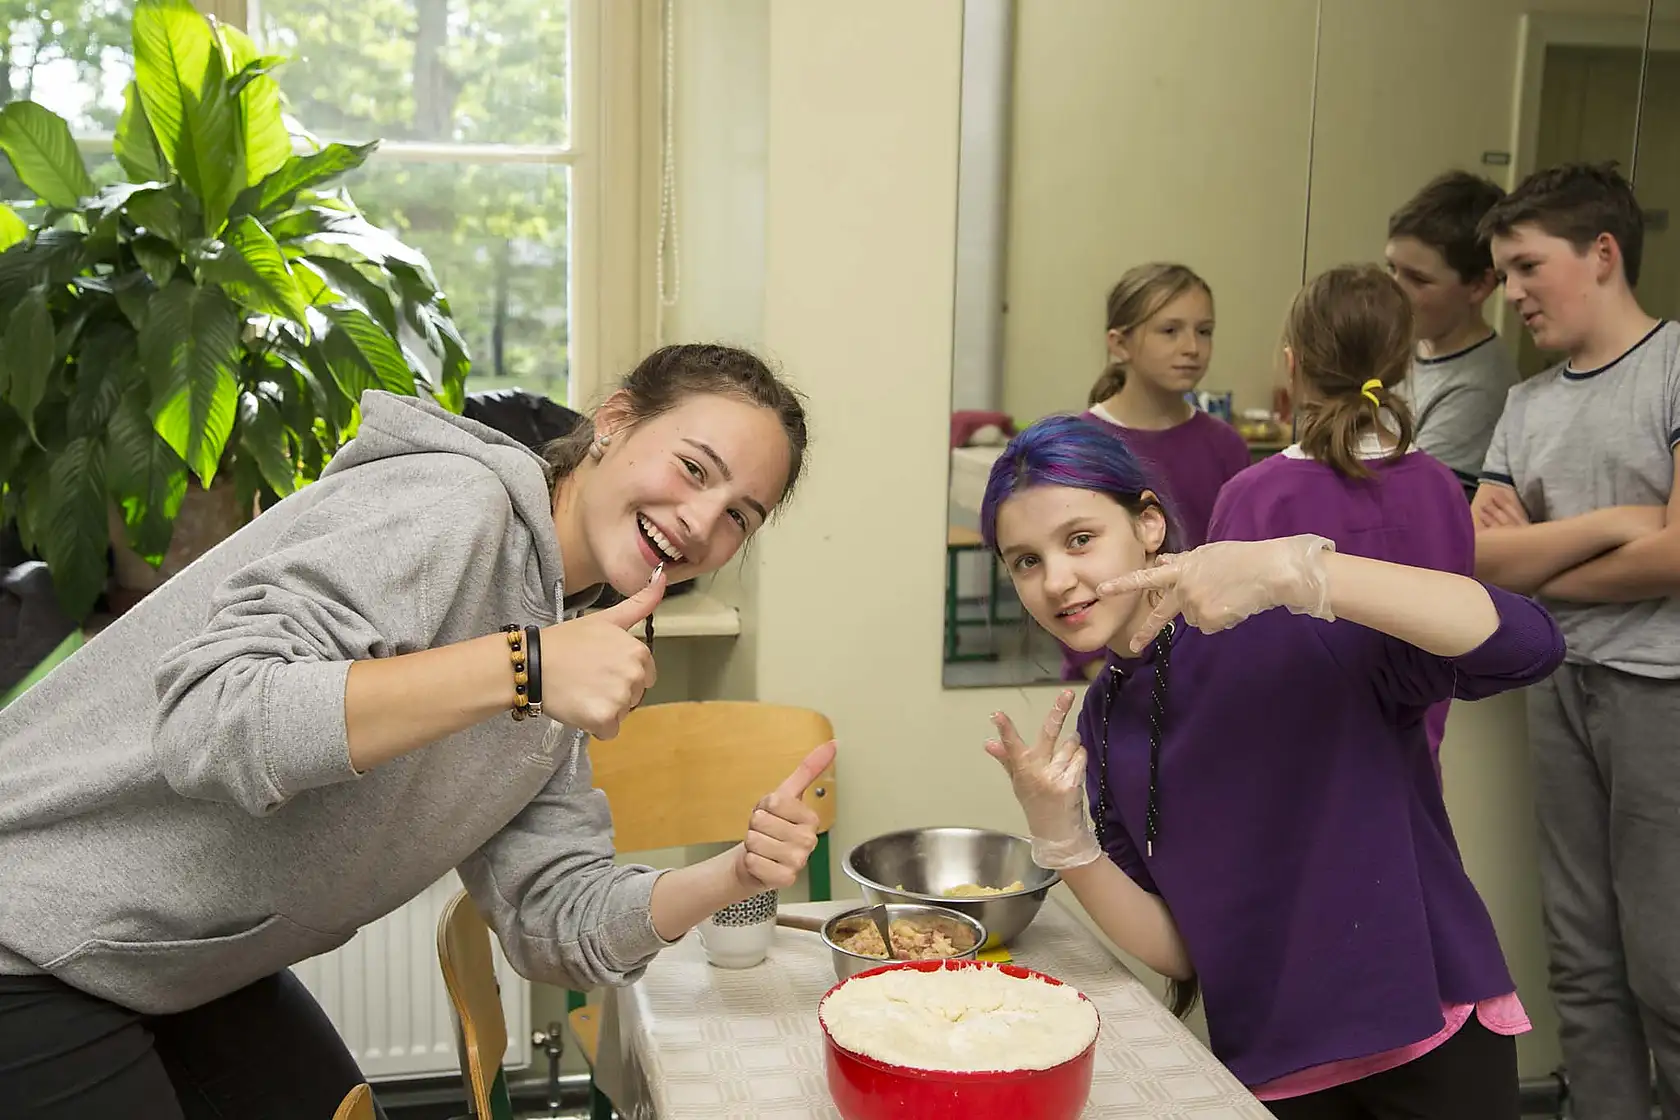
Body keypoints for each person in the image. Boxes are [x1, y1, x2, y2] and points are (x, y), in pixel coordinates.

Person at [0, 343, 832, 1120]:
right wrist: (525, 668)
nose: (701, 522)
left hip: (173, 963)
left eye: (738, 516)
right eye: (694, 469)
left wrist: (732, 875)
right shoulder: (453, 507)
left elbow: (553, 917)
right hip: (28, 930)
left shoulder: (562, 631)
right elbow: (213, 715)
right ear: (613, 422)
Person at [980, 414, 1563, 1118]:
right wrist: (1063, 840)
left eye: (1080, 539)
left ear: (1149, 524)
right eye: (1026, 561)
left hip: (1430, 1041)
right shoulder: (1104, 719)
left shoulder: (1289, 622)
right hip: (1273, 1069)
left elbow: (1527, 646)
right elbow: (1182, 949)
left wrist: (1301, 572)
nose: (1056, 581)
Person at [1472, 162, 1680, 1120]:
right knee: (1580, 957)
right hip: (1559, 686)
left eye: (1526, 266)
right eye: (1503, 273)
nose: (1511, 293)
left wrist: (1541, 562)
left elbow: (1679, 558)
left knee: (1668, 964)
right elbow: (1482, 560)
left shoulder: (1673, 366)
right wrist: (1620, 528)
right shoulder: (1525, 405)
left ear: (1602, 254)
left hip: (1659, 692)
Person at [1208, 265, 1473, 786]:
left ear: (1292, 365)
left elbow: (1217, 661)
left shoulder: (1256, 497)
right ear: (1402, 365)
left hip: (1286, 790)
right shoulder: (1442, 490)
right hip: (1409, 787)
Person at [1063, 262, 1249, 681]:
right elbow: (1062, 563)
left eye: (1204, 331)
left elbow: (1238, 564)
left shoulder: (1225, 445)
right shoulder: (1082, 443)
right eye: (1170, 331)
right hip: (1111, 668)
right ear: (1120, 343)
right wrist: (1095, 666)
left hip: (1208, 665)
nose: (1192, 347)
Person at [1384, 170, 1519, 497]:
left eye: (1418, 279)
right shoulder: (1400, 348)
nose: (1394, 291)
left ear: (1480, 285)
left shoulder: (1480, 390)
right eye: (1392, 269)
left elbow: (1410, 503)